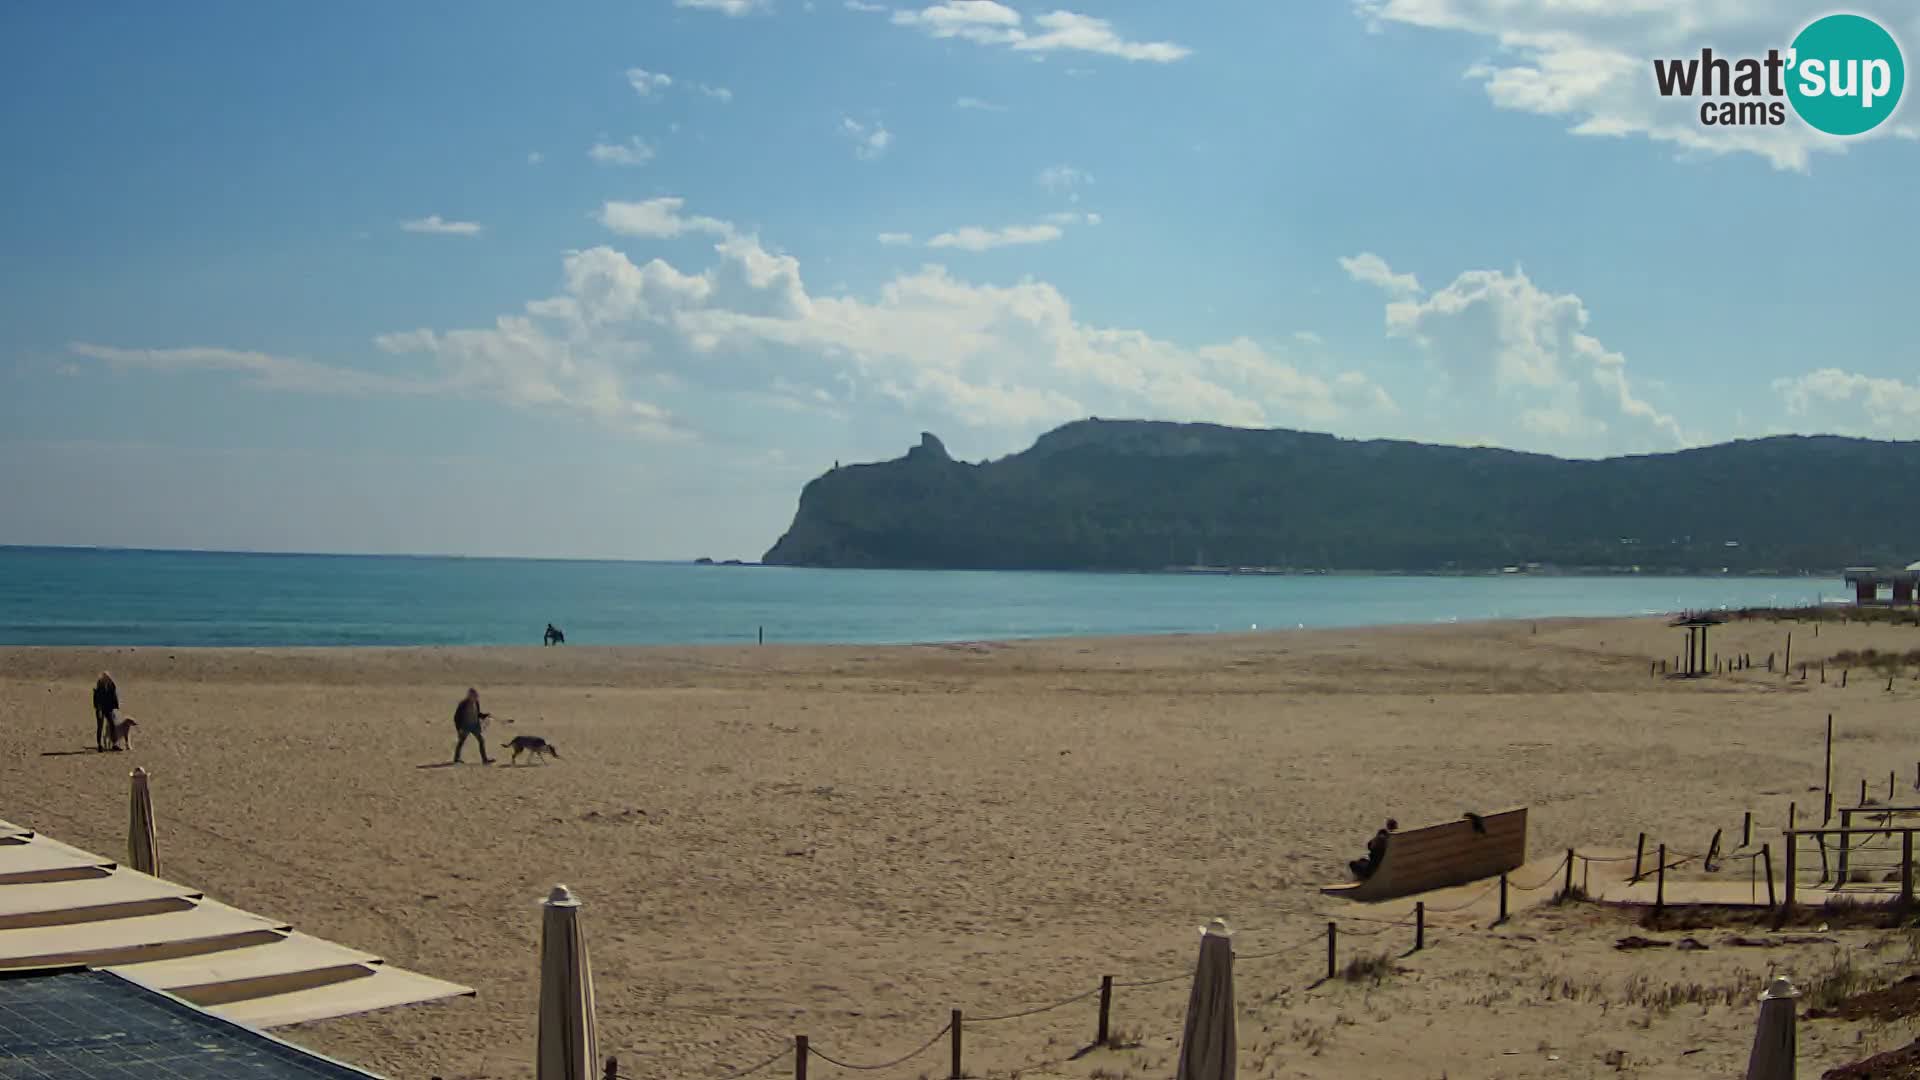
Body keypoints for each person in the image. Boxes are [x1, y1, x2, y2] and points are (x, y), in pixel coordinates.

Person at [452, 688, 495, 765]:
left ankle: (485, 760)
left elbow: (477, 714)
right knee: (461, 742)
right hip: (465, 726)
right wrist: (459, 729)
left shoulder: (476, 703)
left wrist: (485, 715)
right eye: (474, 695)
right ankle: (456, 759)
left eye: (476, 696)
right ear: (469, 695)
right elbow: (456, 717)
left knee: (481, 741)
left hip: (475, 726)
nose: (476, 697)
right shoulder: (463, 704)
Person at [92, 672, 120, 753]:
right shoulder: (99, 687)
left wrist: (115, 706)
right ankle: (99, 745)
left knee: (113, 725)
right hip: (100, 709)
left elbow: (114, 696)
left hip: (108, 708)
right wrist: (99, 709)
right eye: (105, 677)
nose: (106, 679)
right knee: (100, 727)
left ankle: (115, 744)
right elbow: (97, 700)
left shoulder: (111, 685)